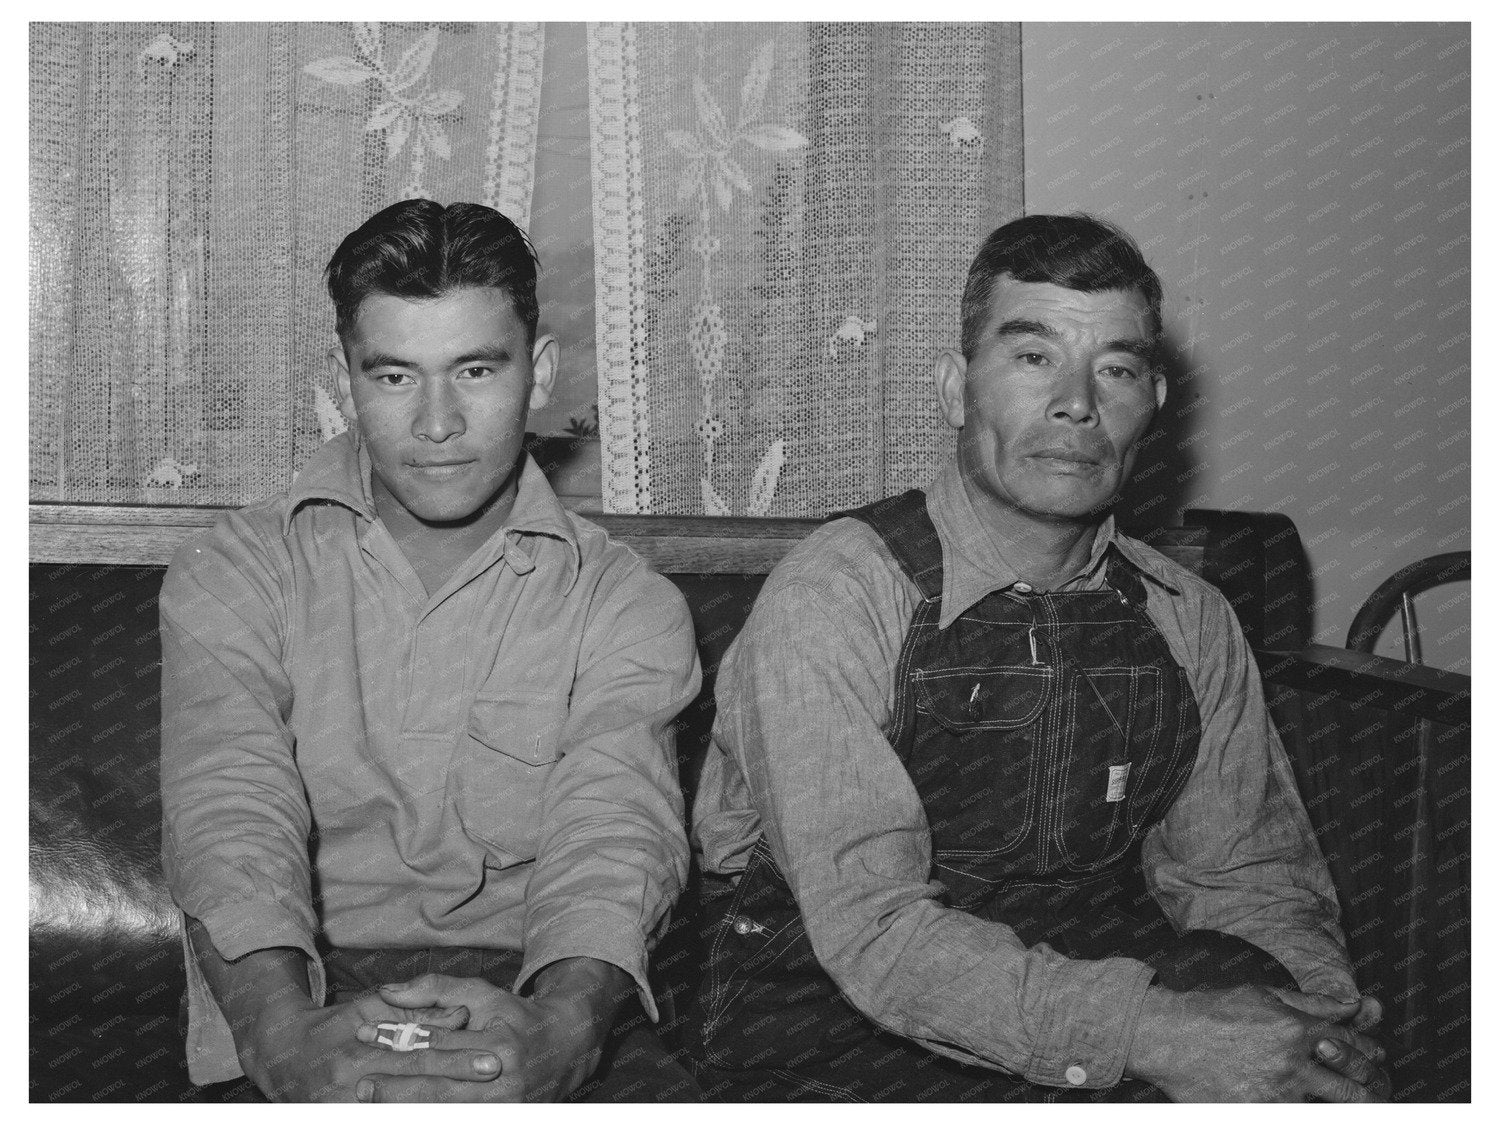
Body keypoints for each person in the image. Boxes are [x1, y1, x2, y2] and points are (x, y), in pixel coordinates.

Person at [689, 214, 1390, 1103]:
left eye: (1117, 368)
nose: (1077, 403)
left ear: (1155, 405)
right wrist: (1160, 1032)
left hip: (1085, 1023)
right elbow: (876, 932)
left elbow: (1247, 880)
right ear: (956, 389)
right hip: (829, 1037)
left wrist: (1312, 1033)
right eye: (1032, 357)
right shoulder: (837, 594)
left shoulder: (1190, 618)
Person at [160, 199, 701, 1103]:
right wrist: (280, 1036)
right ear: (346, 380)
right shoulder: (235, 572)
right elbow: (228, 812)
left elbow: (616, 835)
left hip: (535, 991)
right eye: (396, 376)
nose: (439, 423)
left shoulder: (627, 604)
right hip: (294, 989)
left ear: (541, 373)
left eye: (476, 369)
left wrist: (560, 1032)